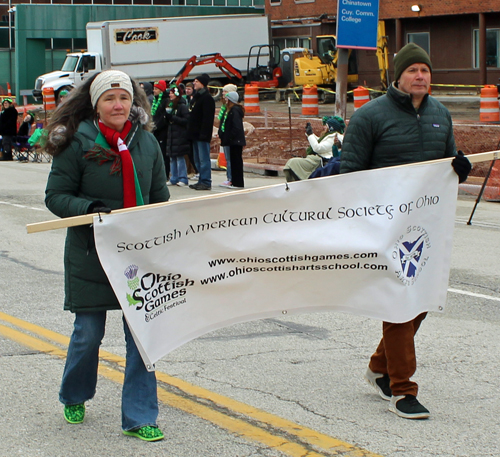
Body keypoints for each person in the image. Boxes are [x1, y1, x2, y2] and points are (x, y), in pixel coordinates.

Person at [339, 42, 471, 420]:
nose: (420, 76)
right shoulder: (370, 116)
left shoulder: (440, 114)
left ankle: (379, 367)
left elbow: (447, 159)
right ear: (397, 75)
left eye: (425, 71)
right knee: (400, 301)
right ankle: (403, 390)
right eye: (413, 70)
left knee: (422, 300)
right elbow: (351, 173)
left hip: (427, 225)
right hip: (385, 228)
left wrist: (457, 167)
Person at [44, 70, 169, 441]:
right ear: (96, 104)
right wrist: (91, 208)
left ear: (134, 103)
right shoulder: (77, 142)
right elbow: (55, 196)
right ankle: (75, 394)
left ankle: (140, 416)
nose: (118, 105)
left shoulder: (146, 144)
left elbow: (161, 196)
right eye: (110, 98)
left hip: (138, 256)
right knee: (88, 333)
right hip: (91, 254)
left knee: (141, 338)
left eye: (125, 98)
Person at [283, 116, 345, 182]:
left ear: (331, 128)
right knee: (292, 162)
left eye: (326, 126)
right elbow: (319, 142)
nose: (324, 127)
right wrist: (310, 133)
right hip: (315, 159)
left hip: (318, 161)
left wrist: (310, 135)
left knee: (292, 163)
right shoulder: (330, 136)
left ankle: (297, 182)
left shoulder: (333, 138)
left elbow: (317, 148)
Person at [187, 73, 215, 190]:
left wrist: (204, 133)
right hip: (194, 134)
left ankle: (206, 181)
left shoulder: (207, 99)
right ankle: (201, 180)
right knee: (197, 159)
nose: (194, 83)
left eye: (196, 81)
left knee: (203, 159)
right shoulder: (197, 98)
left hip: (202, 135)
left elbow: (207, 118)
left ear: (202, 84)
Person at [218, 91, 246, 188]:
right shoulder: (231, 110)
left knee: (236, 162)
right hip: (233, 140)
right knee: (234, 162)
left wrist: (230, 137)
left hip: (235, 141)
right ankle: (235, 181)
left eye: (227, 98)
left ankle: (237, 182)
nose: (225, 100)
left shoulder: (234, 111)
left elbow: (236, 127)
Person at [165, 85, 190, 186]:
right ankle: (173, 178)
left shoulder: (182, 106)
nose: (170, 95)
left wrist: (173, 118)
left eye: (171, 93)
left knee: (180, 158)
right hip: (172, 135)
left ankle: (183, 178)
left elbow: (186, 120)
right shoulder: (170, 105)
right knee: (172, 157)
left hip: (179, 135)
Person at [216, 83, 238, 188]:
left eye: (225, 92)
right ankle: (229, 177)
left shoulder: (232, 110)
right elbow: (222, 122)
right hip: (224, 137)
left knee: (230, 159)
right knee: (228, 158)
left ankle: (231, 178)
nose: (223, 94)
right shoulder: (224, 107)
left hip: (229, 138)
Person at [151, 80, 169, 178]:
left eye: (156, 88)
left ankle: (165, 173)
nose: (154, 90)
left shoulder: (165, 101)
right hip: (156, 130)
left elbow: (163, 117)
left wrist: (157, 126)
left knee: (163, 153)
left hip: (162, 130)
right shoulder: (156, 100)